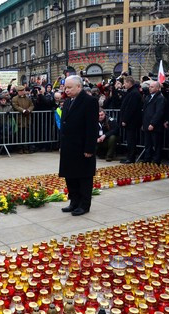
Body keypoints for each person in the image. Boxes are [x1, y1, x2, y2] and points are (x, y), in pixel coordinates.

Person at [59, 76, 99, 216]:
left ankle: (84, 205)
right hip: (69, 146)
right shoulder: (68, 101)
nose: (66, 90)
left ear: (79, 87)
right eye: (65, 87)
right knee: (70, 176)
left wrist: (89, 148)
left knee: (84, 177)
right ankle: (74, 202)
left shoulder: (90, 101)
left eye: (69, 87)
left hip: (82, 147)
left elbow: (91, 127)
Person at [119, 76, 143, 164]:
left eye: (125, 83)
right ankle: (129, 156)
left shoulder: (134, 93)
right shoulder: (130, 92)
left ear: (129, 83)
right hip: (130, 121)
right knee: (129, 140)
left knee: (131, 140)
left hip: (132, 121)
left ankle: (131, 157)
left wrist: (125, 120)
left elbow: (130, 108)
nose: (124, 84)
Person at [142, 81, 165, 164]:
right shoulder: (148, 97)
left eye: (152, 87)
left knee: (157, 144)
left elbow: (159, 112)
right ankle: (147, 159)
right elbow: (145, 111)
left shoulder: (160, 98)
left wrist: (152, 123)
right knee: (147, 144)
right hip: (146, 124)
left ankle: (156, 160)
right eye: (149, 86)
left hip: (155, 126)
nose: (150, 88)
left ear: (157, 88)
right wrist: (144, 123)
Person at [12, 85, 34, 153]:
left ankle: (26, 147)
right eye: (20, 91)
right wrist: (23, 111)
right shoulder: (14, 98)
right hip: (19, 118)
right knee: (20, 134)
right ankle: (20, 148)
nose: (22, 92)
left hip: (27, 118)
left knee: (27, 134)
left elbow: (32, 105)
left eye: (23, 90)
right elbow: (15, 106)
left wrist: (29, 110)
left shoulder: (28, 98)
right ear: (18, 92)